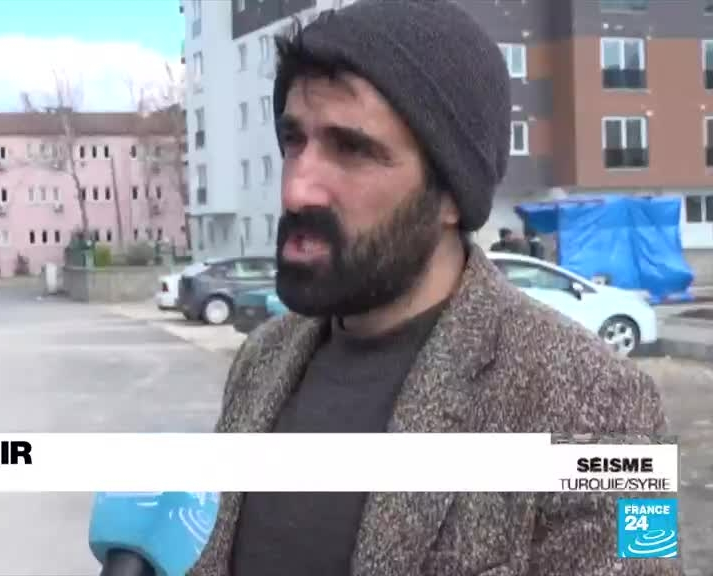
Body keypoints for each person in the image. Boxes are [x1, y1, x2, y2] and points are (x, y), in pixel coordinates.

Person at [186, 2, 679, 575]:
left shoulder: (604, 404)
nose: (297, 190)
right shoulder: (260, 360)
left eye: (352, 149)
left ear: (451, 196)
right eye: (294, 140)